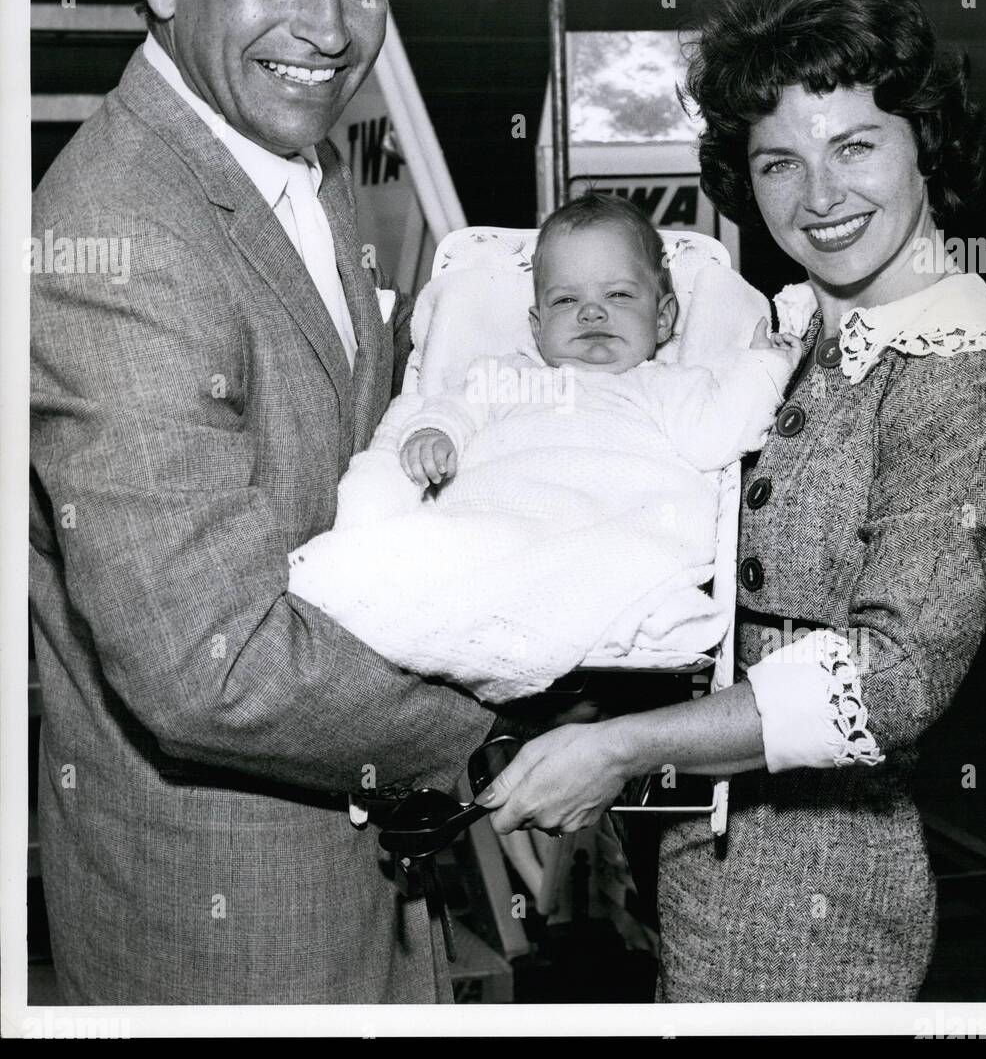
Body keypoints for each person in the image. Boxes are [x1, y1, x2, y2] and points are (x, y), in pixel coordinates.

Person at [29, 0, 497, 1005]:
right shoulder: (119, 239)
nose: (331, 29)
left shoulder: (291, 150)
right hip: (225, 939)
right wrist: (501, 705)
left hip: (365, 893)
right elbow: (210, 662)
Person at [475, 0, 986, 1002]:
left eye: (854, 146)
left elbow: (893, 678)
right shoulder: (792, 329)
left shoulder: (961, 365)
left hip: (824, 907)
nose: (820, 199)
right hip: (686, 876)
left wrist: (622, 747)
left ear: (923, 141)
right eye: (779, 163)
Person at [287, 194, 801, 702]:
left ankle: (568, 612)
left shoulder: (669, 386)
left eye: (620, 296)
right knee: (437, 544)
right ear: (537, 327)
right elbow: (450, 407)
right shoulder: (505, 375)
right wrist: (433, 435)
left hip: (605, 531)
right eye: (565, 300)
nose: (592, 313)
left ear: (664, 318)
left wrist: (762, 367)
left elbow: (721, 431)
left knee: (623, 559)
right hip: (495, 522)